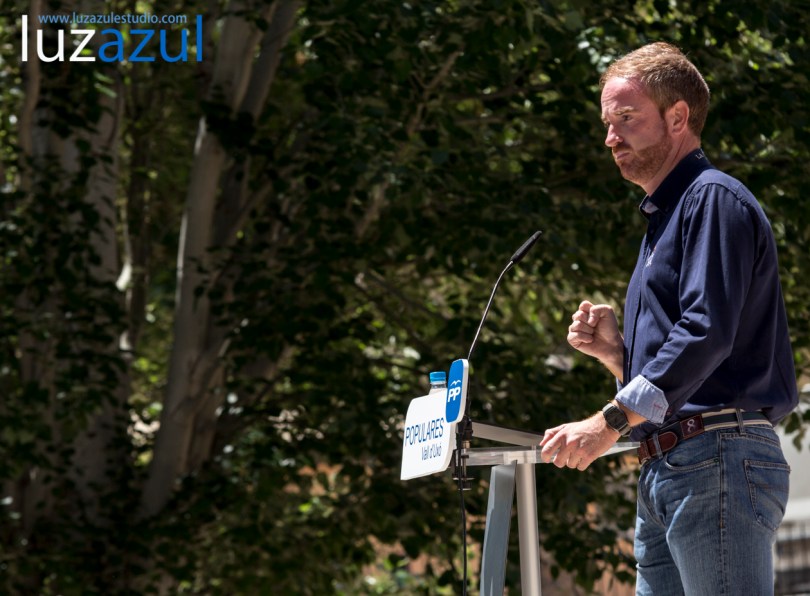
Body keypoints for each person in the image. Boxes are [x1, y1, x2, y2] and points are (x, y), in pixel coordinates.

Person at [539, 42, 798, 595]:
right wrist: (618, 356)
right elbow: (693, 354)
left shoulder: (712, 200)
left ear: (678, 116)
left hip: (717, 457)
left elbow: (706, 333)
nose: (611, 138)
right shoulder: (667, 217)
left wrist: (607, 422)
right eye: (607, 124)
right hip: (671, 464)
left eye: (626, 119)